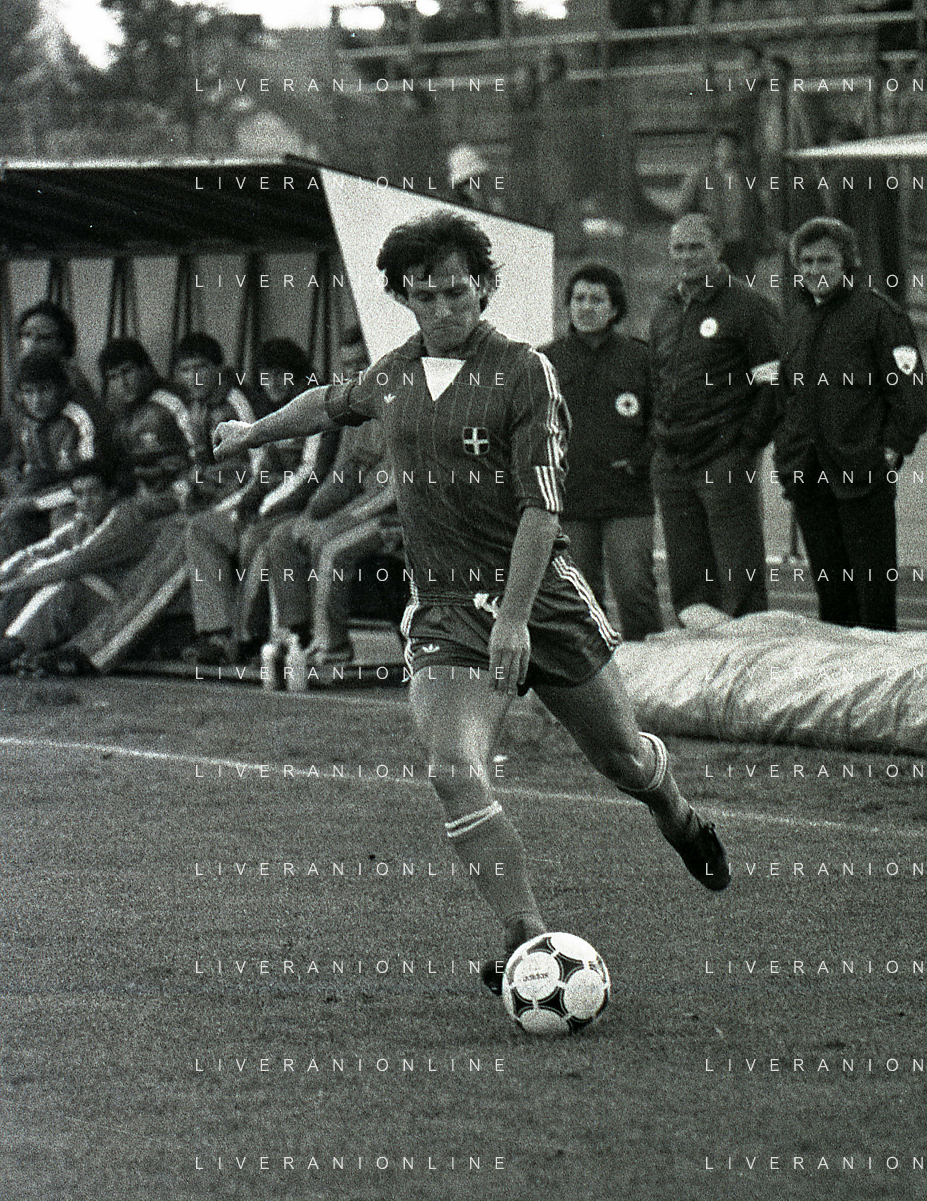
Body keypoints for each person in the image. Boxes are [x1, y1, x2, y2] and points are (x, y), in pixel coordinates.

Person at [213, 211, 730, 991]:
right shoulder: (393, 374)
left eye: (457, 292)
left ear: (483, 287)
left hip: (539, 598)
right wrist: (252, 434)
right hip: (446, 610)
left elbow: (541, 509)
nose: (443, 308)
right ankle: (526, 935)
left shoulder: (524, 372)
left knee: (621, 758)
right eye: (425, 296)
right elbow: (329, 400)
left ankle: (676, 812)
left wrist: (514, 618)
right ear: (403, 296)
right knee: (453, 768)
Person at [774, 217, 927, 631]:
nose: (815, 269)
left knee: (873, 607)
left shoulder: (880, 315)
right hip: (809, 478)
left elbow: (913, 397)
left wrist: (888, 452)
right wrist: (787, 454)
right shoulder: (797, 318)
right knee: (832, 606)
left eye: (826, 259)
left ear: (848, 262)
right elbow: (784, 395)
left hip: (862, 478)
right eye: (806, 261)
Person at [649, 212, 780, 620]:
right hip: (673, 460)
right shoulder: (665, 308)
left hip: (724, 458)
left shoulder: (748, 305)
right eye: (679, 247)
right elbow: (656, 378)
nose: (686, 255)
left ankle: (748, 654)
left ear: (718, 249)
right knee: (689, 583)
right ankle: (699, 650)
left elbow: (774, 380)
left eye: (696, 247)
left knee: (739, 578)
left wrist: (746, 444)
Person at [540, 263, 663, 642]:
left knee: (634, 588)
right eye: (579, 298)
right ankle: (593, 667)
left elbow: (662, 418)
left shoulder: (640, 357)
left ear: (615, 308)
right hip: (570, 496)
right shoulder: (546, 360)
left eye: (597, 299)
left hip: (626, 495)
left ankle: (650, 664)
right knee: (580, 594)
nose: (586, 307)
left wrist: (640, 462)